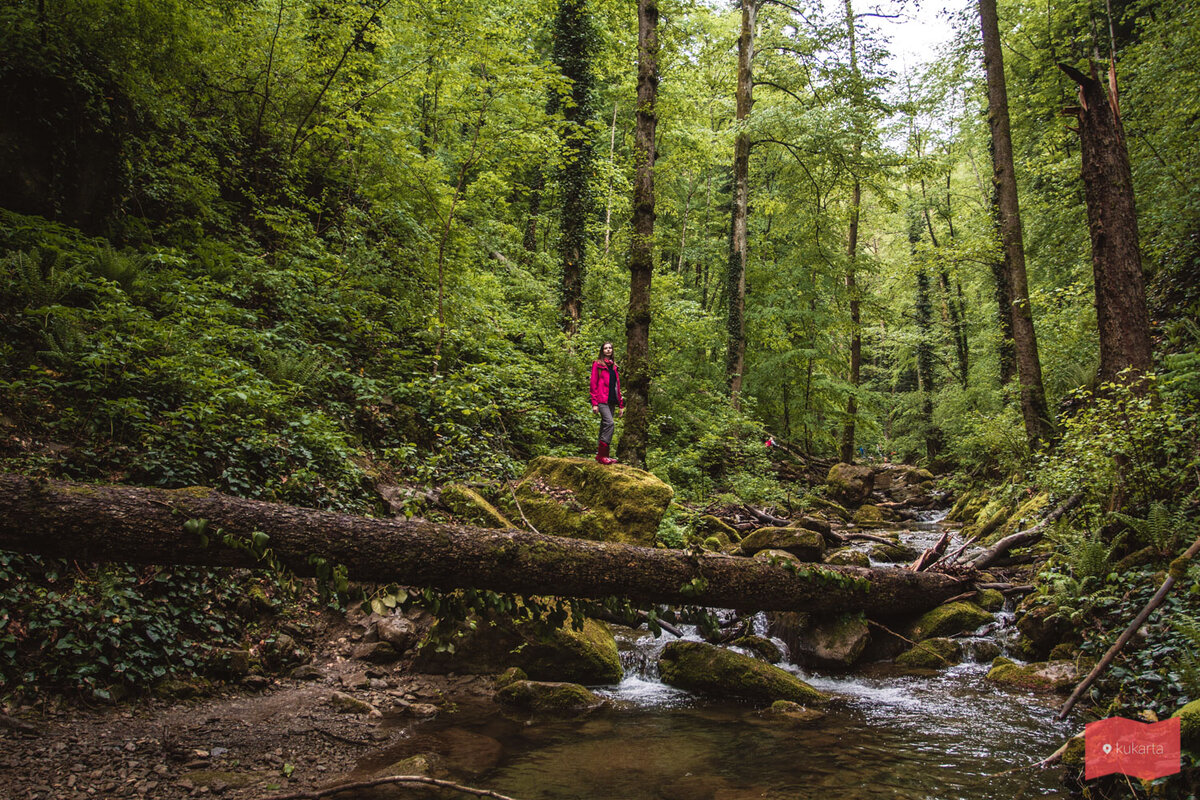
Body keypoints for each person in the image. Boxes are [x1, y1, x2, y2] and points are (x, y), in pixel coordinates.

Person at [589, 342, 624, 464]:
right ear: (602, 351)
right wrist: (594, 403)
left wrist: (621, 405)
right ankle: (603, 455)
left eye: (610, 348)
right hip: (601, 400)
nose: (608, 350)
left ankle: (601, 455)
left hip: (612, 400)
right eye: (606, 348)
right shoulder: (598, 364)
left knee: (604, 425)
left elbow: (617, 386)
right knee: (609, 423)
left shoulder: (614, 367)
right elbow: (593, 383)